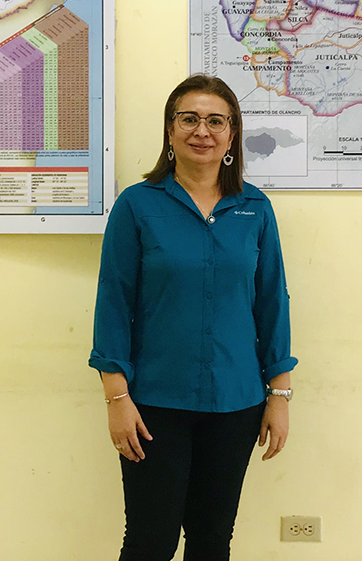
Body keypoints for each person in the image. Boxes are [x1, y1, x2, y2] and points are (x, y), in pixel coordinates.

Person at [89, 74, 297, 561]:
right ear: (170, 130)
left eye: (215, 120)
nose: (201, 130)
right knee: (149, 540)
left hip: (237, 403)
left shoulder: (255, 208)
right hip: (154, 405)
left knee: (211, 540)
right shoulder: (138, 206)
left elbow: (272, 302)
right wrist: (116, 397)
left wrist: (280, 395)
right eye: (189, 119)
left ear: (231, 134)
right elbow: (113, 302)